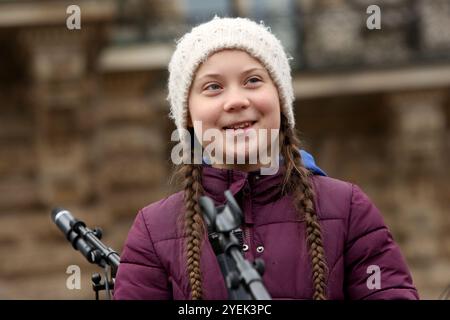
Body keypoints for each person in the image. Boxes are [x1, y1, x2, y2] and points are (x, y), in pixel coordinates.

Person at [113, 16, 419, 300]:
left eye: (253, 80)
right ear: (188, 115)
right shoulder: (153, 230)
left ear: (281, 99)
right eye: (213, 87)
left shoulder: (348, 209)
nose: (236, 100)